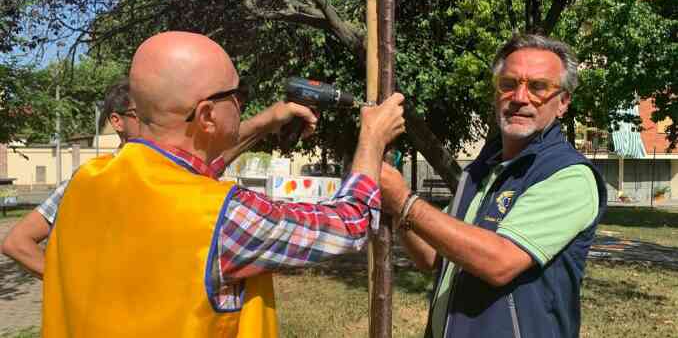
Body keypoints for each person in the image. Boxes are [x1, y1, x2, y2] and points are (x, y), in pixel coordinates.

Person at [42, 31, 405, 337]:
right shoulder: (223, 215)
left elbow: (191, 170)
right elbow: (349, 225)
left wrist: (267, 121)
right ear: (206, 115)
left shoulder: (84, 183)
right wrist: (371, 140)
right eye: (238, 95)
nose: (242, 104)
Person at [379, 34, 607, 338]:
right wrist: (394, 209)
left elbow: (499, 262)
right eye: (508, 84)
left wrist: (404, 201)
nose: (520, 97)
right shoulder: (479, 173)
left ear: (563, 102)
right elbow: (431, 256)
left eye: (538, 87)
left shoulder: (568, 175)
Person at [1, 80, 140, 277]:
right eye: (142, 115)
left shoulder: (177, 173)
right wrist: (71, 285)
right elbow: (17, 243)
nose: (155, 122)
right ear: (117, 121)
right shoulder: (89, 179)